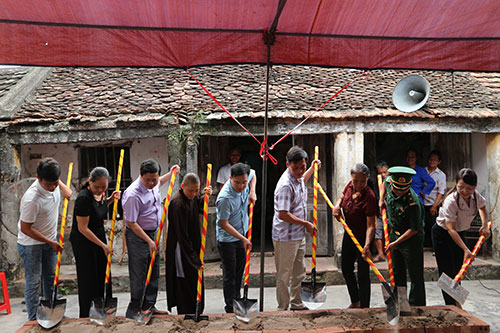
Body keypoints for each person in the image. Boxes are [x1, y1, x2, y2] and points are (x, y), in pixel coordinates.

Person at [122, 159, 179, 318]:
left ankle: (149, 305)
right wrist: (149, 241)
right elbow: (132, 223)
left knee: (154, 270)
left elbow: (159, 181)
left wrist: (171, 173)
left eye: (155, 179)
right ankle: (135, 307)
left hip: (154, 232)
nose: (152, 183)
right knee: (140, 271)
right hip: (138, 236)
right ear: (140, 175)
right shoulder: (133, 194)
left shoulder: (154, 183)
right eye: (148, 180)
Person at [17, 158, 72, 321]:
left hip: (50, 241)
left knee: (51, 278)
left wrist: (62, 187)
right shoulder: (31, 199)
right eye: (49, 184)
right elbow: (26, 229)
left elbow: (60, 185)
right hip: (31, 245)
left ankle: (52, 313)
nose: (53, 187)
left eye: (55, 183)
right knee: (34, 282)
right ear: (38, 178)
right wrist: (49, 242)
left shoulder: (54, 183)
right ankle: (33, 318)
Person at [432, 168, 490, 307]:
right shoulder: (451, 201)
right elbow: (450, 229)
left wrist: (484, 225)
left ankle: (458, 304)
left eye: (469, 188)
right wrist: (465, 249)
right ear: (456, 185)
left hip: (460, 233)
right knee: (447, 273)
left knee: (459, 270)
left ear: (474, 187)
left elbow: (483, 208)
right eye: (460, 187)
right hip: (443, 234)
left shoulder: (476, 196)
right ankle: (452, 307)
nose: (464, 191)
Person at [272, 146, 319, 311]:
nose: (300, 171)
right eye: (296, 168)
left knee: (299, 272)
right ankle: (282, 308)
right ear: (287, 165)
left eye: (303, 167)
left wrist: (312, 169)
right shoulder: (285, 185)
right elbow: (282, 214)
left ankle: (296, 303)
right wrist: (306, 224)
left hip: (298, 235)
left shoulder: (297, 178)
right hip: (285, 237)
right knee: (284, 275)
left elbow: (301, 179)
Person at [69, 167, 120, 318]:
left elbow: (99, 210)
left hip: (98, 240)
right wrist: (103, 245)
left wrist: (110, 199)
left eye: (104, 187)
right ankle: (87, 313)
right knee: (89, 279)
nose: (100, 190)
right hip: (85, 243)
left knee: (102, 275)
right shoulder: (83, 198)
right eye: (97, 187)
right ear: (90, 182)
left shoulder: (101, 195)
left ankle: (103, 309)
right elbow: (83, 228)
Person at [166, 173, 212, 314]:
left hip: (193, 246)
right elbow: (182, 236)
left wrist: (205, 197)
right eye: (191, 191)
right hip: (181, 249)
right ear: (182, 187)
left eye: (196, 190)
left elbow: (199, 206)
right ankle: (186, 312)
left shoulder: (192, 197)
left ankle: (197, 309)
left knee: (194, 278)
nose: (194, 194)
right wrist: (194, 259)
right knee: (184, 279)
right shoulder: (178, 204)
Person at [333, 163, 377, 308]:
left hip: (364, 237)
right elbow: (341, 196)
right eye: (355, 180)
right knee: (346, 267)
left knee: (363, 273)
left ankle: (365, 307)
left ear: (367, 179)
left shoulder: (370, 196)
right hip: (349, 233)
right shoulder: (350, 186)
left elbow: (371, 225)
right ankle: (355, 301)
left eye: (362, 181)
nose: (358, 184)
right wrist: (337, 205)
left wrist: (367, 245)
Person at [216, 163, 257, 313]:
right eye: (237, 182)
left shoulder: (247, 179)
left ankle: (238, 299)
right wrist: (243, 238)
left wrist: (252, 191)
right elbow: (224, 224)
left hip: (242, 234)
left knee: (239, 271)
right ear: (230, 179)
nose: (241, 186)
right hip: (227, 240)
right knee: (230, 274)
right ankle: (229, 306)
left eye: (244, 182)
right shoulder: (225, 198)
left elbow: (253, 171)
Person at [382, 166, 426, 306]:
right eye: (397, 188)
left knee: (415, 274)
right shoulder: (390, 183)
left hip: (411, 240)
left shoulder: (413, 202)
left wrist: (395, 244)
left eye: (404, 189)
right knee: (396, 271)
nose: (400, 192)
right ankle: (400, 303)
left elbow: (413, 229)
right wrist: (380, 200)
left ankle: (416, 306)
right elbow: (384, 181)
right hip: (394, 234)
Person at [424, 150, 446, 248]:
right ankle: (424, 245)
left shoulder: (441, 175)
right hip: (422, 202)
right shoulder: (423, 171)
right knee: (423, 225)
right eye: (431, 159)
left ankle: (435, 247)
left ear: (439, 162)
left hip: (434, 203)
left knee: (434, 226)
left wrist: (434, 206)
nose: (432, 161)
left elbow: (441, 192)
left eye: (435, 160)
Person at [373, 161, 389, 262]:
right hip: (379, 213)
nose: (383, 175)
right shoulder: (375, 186)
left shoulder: (393, 184)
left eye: (385, 172)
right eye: (380, 173)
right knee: (377, 232)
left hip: (392, 214)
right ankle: (380, 254)